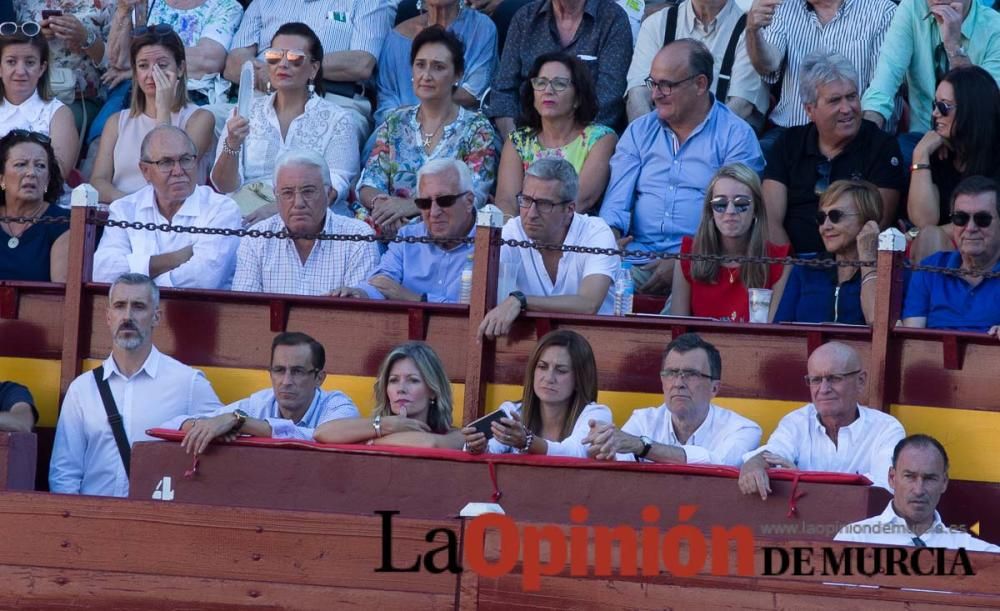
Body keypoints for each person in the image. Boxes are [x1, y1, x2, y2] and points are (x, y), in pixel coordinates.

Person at [600, 39, 763, 296]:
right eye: (653, 83)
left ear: (700, 84)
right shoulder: (639, 131)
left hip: (706, 261)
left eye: (666, 85)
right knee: (591, 291)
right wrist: (609, 241)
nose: (655, 94)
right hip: (634, 260)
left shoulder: (736, 136)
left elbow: (736, 218)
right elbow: (615, 204)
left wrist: (684, 260)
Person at [49, 273, 224, 497]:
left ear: (156, 317)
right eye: (120, 306)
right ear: (108, 316)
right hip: (94, 523)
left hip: (158, 524)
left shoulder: (188, 383)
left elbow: (221, 448)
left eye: (139, 306)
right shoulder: (82, 389)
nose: (127, 316)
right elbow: (64, 472)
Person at [357, 26, 499, 236]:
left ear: (457, 75)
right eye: (420, 65)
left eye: (438, 67)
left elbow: (473, 196)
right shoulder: (395, 122)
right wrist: (385, 207)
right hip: (390, 227)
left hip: (448, 233)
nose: (426, 75)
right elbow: (369, 184)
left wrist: (410, 206)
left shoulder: (477, 129)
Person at [212, 22, 359, 220]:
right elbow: (224, 186)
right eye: (274, 57)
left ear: (314, 69)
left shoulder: (338, 120)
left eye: (295, 58)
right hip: (247, 214)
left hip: (312, 218)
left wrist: (276, 210)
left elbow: (333, 188)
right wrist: (232, 144)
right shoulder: (245, 112)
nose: (283, 64)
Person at [762, 52, 904, 255]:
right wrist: (791, 271)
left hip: (854, 266)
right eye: (835, 100)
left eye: (852, 97)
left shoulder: (881, 146)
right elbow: (770, 220)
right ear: (810, 109)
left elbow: (876, 224)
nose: (847, 108)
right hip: (793, 266)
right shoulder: (788, 144)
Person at [738, 341, 905, 499]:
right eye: (816, 380)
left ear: (860, 381)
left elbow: (884, 490)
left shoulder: (886, 429)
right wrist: (755, 464)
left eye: (834, 378)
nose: (824, 389)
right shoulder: (796, 422)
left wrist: (805, 483)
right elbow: (773, 453)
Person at [479, 158, 619, 340]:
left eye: (544, 204)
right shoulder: (512, 232)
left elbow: (588, 303)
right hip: (528, 347)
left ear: (569, 210)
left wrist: (520, 301)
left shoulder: (596, 232)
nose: (531, 213)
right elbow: (481, 295)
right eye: (526, 200)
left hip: (595, 345)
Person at [92, 126, 242, 289]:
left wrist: (139, 281)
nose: (178, 171)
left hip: (199, 311)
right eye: (166, 162)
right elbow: (103, 272)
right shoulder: (124, 210)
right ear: (145, 171)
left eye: (185, 160)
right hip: (137, 313)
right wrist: (175, 259)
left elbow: (203, 279)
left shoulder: (222, 209)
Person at [223, 0, 393, 140]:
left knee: (322, 133)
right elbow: (233, 63)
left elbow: (362, 63)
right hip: (261, 96)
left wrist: (290, 68)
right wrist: (267, 71)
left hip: (334, 98)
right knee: (206, 118)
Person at [166, 332, 361, 453]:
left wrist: (241, 422)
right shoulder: (260, 402)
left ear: (319, 378)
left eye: (297, 371)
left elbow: (318, 437)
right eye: (278, 370)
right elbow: (172, 425)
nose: (286, 381)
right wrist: (211, 427)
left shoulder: (338, 405)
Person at [584, 333, 761, 465]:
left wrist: (643, 447)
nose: (678, 383)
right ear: (662, 382)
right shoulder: (643, 420)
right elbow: (622, 463)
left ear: (714, 388)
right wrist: (603, 448)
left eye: (691, 374)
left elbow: (718, 463)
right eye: (671, 373)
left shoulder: (743, 429)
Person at [89, 26, 215, 204]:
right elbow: (97, 182)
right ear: (135, 72)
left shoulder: (200, 119)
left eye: (162, 65)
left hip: (174, 220)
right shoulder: (116, 122)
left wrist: (163, 108)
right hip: (122, 215)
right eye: (143, 66)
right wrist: (132, 206)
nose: (151, 74)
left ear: (180, 68)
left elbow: (169, 172)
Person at [745, 0, 897, 144]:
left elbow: (881, 88)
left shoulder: (882, 11)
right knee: (746, 165)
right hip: (790, 132)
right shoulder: (785, 6)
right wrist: (753, 31)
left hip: (852, 133)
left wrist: (863, 140)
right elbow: (768, 64)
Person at [232, 149, 379, 295]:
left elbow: (358, 314)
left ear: (328, 194)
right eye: (287, 193)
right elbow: (245, 312)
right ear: (276, 197)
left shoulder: (359, 237)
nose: (298, 203)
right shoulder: (256, 238)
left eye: (308, 191)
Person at [486, 0, 634, 140]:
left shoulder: (613, 19)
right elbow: (504, 91)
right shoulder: (525, 18)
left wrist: (567, 146)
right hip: (526, 136)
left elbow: (610, 99)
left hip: (589, 140)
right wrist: (519, 145)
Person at [861, 0, 1000, 147]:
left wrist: (954, 45)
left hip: (974, 140)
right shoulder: (913, 7)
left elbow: (983, 107)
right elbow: (886, 78)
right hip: (920, 136)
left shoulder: (995, 28)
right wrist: (866, 134)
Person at [336, 159, 476, 303]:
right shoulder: (408, 237)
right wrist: (357, 293)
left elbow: (477, 313)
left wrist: (414, 298)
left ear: (469, 201)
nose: (434, 212)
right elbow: (381, 283)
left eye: (444, 201)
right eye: (425, 203)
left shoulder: (493, 245)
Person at [495, 52, 617, 216]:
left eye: (559, 84)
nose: (548, 90)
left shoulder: (601, 139)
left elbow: (580, 200)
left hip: (575, 235)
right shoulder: (518, 141)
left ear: (578, 98)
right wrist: (517, 237)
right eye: (540, 83)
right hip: (520, 236)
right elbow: (506, 203)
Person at [834, 435, 1000, 552]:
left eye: (929, 478)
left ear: (944, 483)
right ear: (892, 478)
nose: (919, 490)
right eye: (910, 477)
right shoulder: (855, 539)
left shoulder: (968, 549)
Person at [670, 164, 791, 322]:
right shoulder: (688, 256)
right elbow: (678, 331)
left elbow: (770, 338)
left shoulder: (779, 263)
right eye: (720, 204)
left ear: (756, 209)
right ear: (710, 211)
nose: (730, 211)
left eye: (741, 204)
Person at [463, 329, 613, 457]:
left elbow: (576, 453)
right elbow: (490, 453)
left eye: (561, 371)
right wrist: (478, 448)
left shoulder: (597, 414)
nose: (548, 378)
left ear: (581, 379)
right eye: (542, 367)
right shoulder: (512, 411)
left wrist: (527, 441)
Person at [624, 0, 768, 128]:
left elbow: (741, 106)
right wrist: (651, 142)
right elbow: (638, 96)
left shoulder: (751, 31)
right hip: (658, 141)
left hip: (721, 146)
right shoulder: (657, 23)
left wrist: (694, 144)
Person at [908, 66, 1000, 264]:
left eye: (944, 107)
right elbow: (924, 220)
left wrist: (916, 234)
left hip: (990, 255)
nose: (935, 113)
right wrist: (920, 155)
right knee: (930, 238)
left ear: (971, 110)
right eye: (935, 104)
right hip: (946, 253)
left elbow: (988, 223)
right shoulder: (937, 151)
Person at [313, 341, 465, 449]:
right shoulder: (377, 428)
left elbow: (429, 444)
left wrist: (370, 442)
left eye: (413, 380)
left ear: (433, 390)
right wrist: (387, 425)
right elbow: (321, 432)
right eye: (393, 380)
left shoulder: (455, 435)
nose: (401, 389)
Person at [773, 180, 881, 325]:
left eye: (836, 216)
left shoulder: (890, 270)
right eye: (821, 218)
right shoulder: (805, 269)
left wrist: (868, 259)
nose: (825, 226)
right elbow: (780, 331)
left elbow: (877, 322)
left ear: (867, 221)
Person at [375, 0, 497, 127]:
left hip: (462, 128)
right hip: (399, 129)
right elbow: (386, 102)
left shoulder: (481, 28)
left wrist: (424, 113)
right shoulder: (396, 38)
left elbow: (472, 94)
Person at [903, 175, 1000, 334]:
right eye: (960, 218)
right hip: (933, 358)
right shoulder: (930, 268)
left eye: (982, 219)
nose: (970, 228)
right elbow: (912, 338)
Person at [103, 0, 244, 108]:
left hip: (186, 92)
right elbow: (119, 61)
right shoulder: (148, 2)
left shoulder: (226, 6)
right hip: (137, 87)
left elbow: (207, 61)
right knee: (101, 138)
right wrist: (124, 11)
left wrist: (142, 66)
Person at [17, 1, 111, 135]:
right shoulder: (22, 3)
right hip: (29, 95)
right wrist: (34, 35)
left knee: (49, 128)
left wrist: (85, 37)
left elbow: (115, 64)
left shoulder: (105, 4)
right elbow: (9, 47)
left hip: (79, 99)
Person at [0, 30, 78, 175]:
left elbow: (57, 174)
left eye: (30, 63)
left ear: (42, 68)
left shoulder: (58, 113)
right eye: (11, 62)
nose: (20, 71)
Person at [0, 130, 69, 282]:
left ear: (48, 180)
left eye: (40, 166)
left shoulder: (64, 223)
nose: (31, 173)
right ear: (2, 178)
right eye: (21, 165)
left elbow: (60, 296)